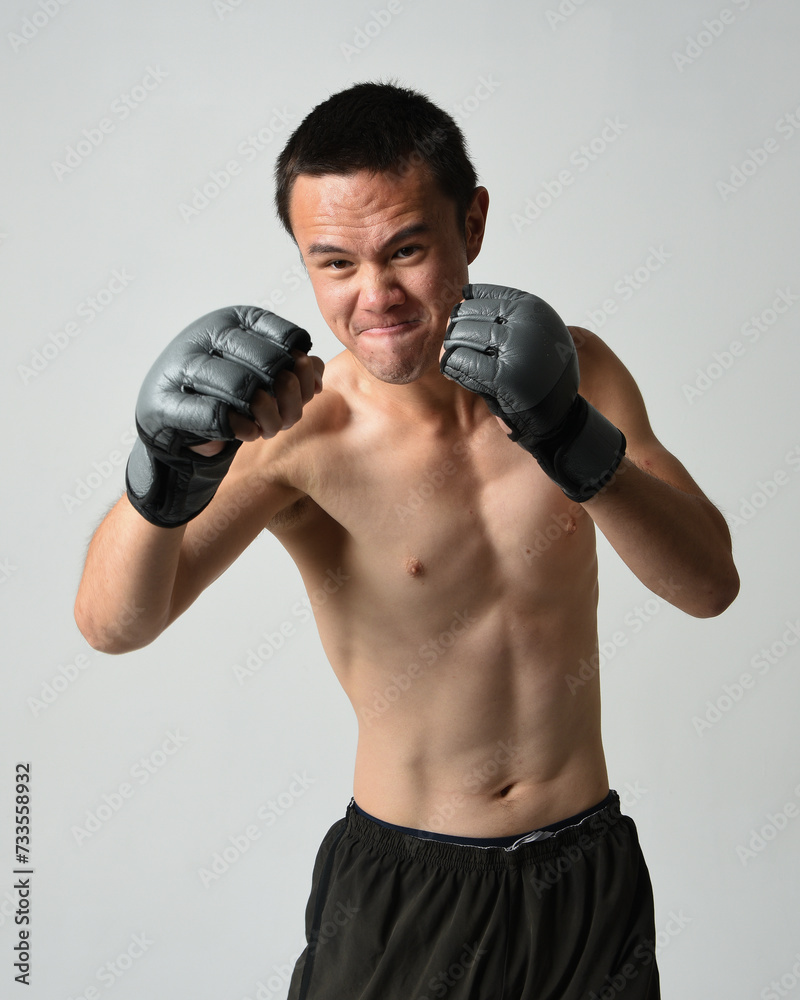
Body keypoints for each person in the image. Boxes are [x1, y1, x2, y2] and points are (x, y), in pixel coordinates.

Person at [75, 82, 739, 999]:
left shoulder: (574, 370)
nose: (375, 296)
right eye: (335, 263)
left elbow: (709, 583)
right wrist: (161, 471)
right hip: (408, 889)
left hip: (589, 876)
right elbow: (114, 624)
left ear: (472, 223)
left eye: (408, 250)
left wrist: (571, 442)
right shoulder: (297, 433)